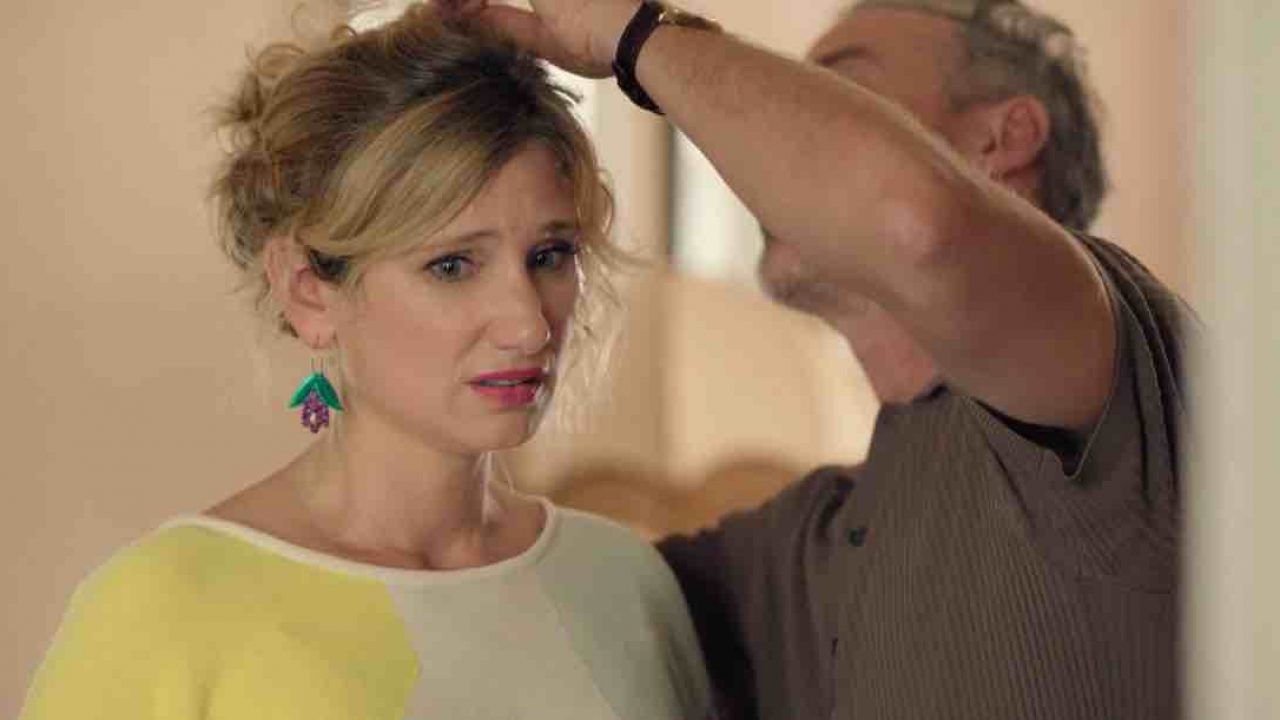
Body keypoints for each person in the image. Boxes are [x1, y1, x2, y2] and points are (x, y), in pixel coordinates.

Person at [469, 0, 1192, 717]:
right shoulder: (812, 543)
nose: (775, 159)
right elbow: (526, 609)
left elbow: (921, 225)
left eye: (840, 89)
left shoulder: (1118, 364)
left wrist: (637, 35)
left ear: (1003, 139)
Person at [18, 6, 712, 719]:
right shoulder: (163, 611)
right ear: (308, 292)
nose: (529, 324)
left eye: (550, 255)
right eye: (452, 265)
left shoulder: (624, 583)